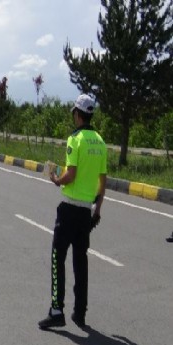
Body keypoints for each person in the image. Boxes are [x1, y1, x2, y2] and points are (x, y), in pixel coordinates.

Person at [38, 94, 107, 329]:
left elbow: (72, 174)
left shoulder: (75, 139)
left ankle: (57, 310)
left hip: (68, 209)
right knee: (81, 262)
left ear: (77, 115)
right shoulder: (100, 141)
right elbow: (103, 179)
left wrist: (57, 179)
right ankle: (80, 312)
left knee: (58, 257)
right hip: (86, 211)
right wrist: (97, 210)